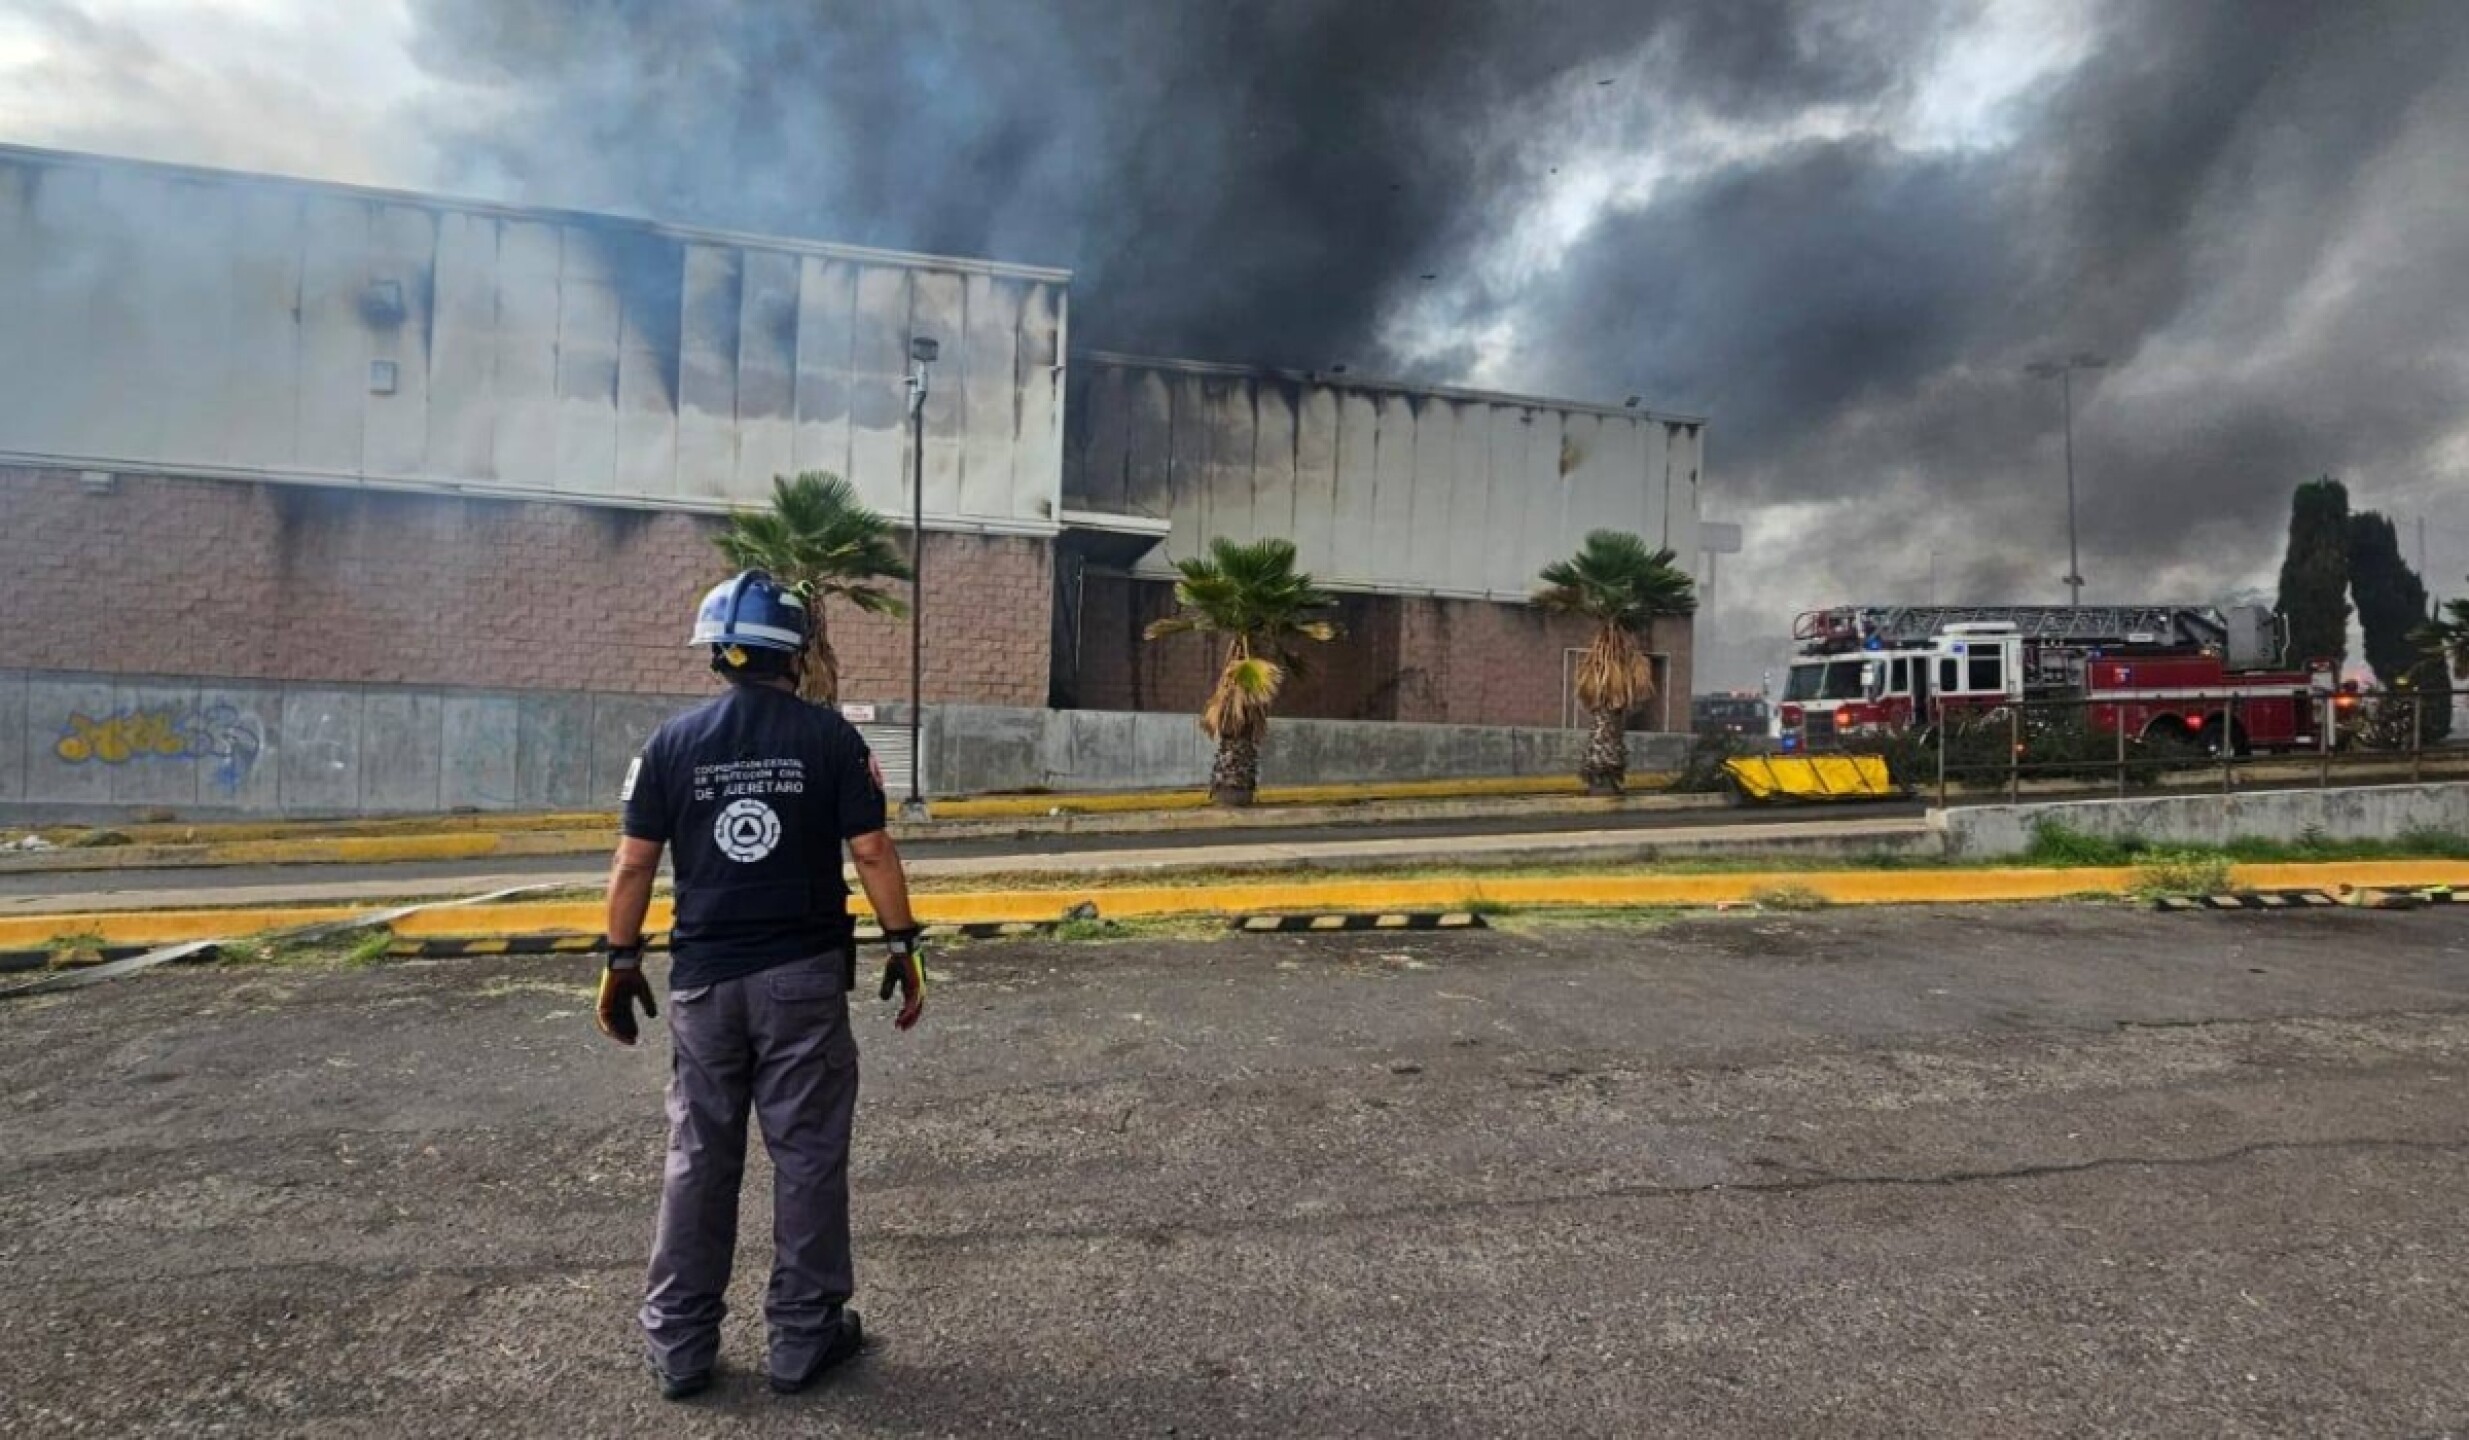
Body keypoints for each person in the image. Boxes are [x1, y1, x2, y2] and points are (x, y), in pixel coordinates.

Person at [594, 569, 929, 1402]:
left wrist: (619, 961)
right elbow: (875, 853)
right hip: (801, 980)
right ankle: (801, 1337)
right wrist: (902, 945)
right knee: (807, 1152)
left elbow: (635, 863)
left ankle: (679, 1346)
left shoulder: (671, 744)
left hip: (703, 985)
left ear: (717, 653)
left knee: (698, 1155)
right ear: (799, 653)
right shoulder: (831, 740)